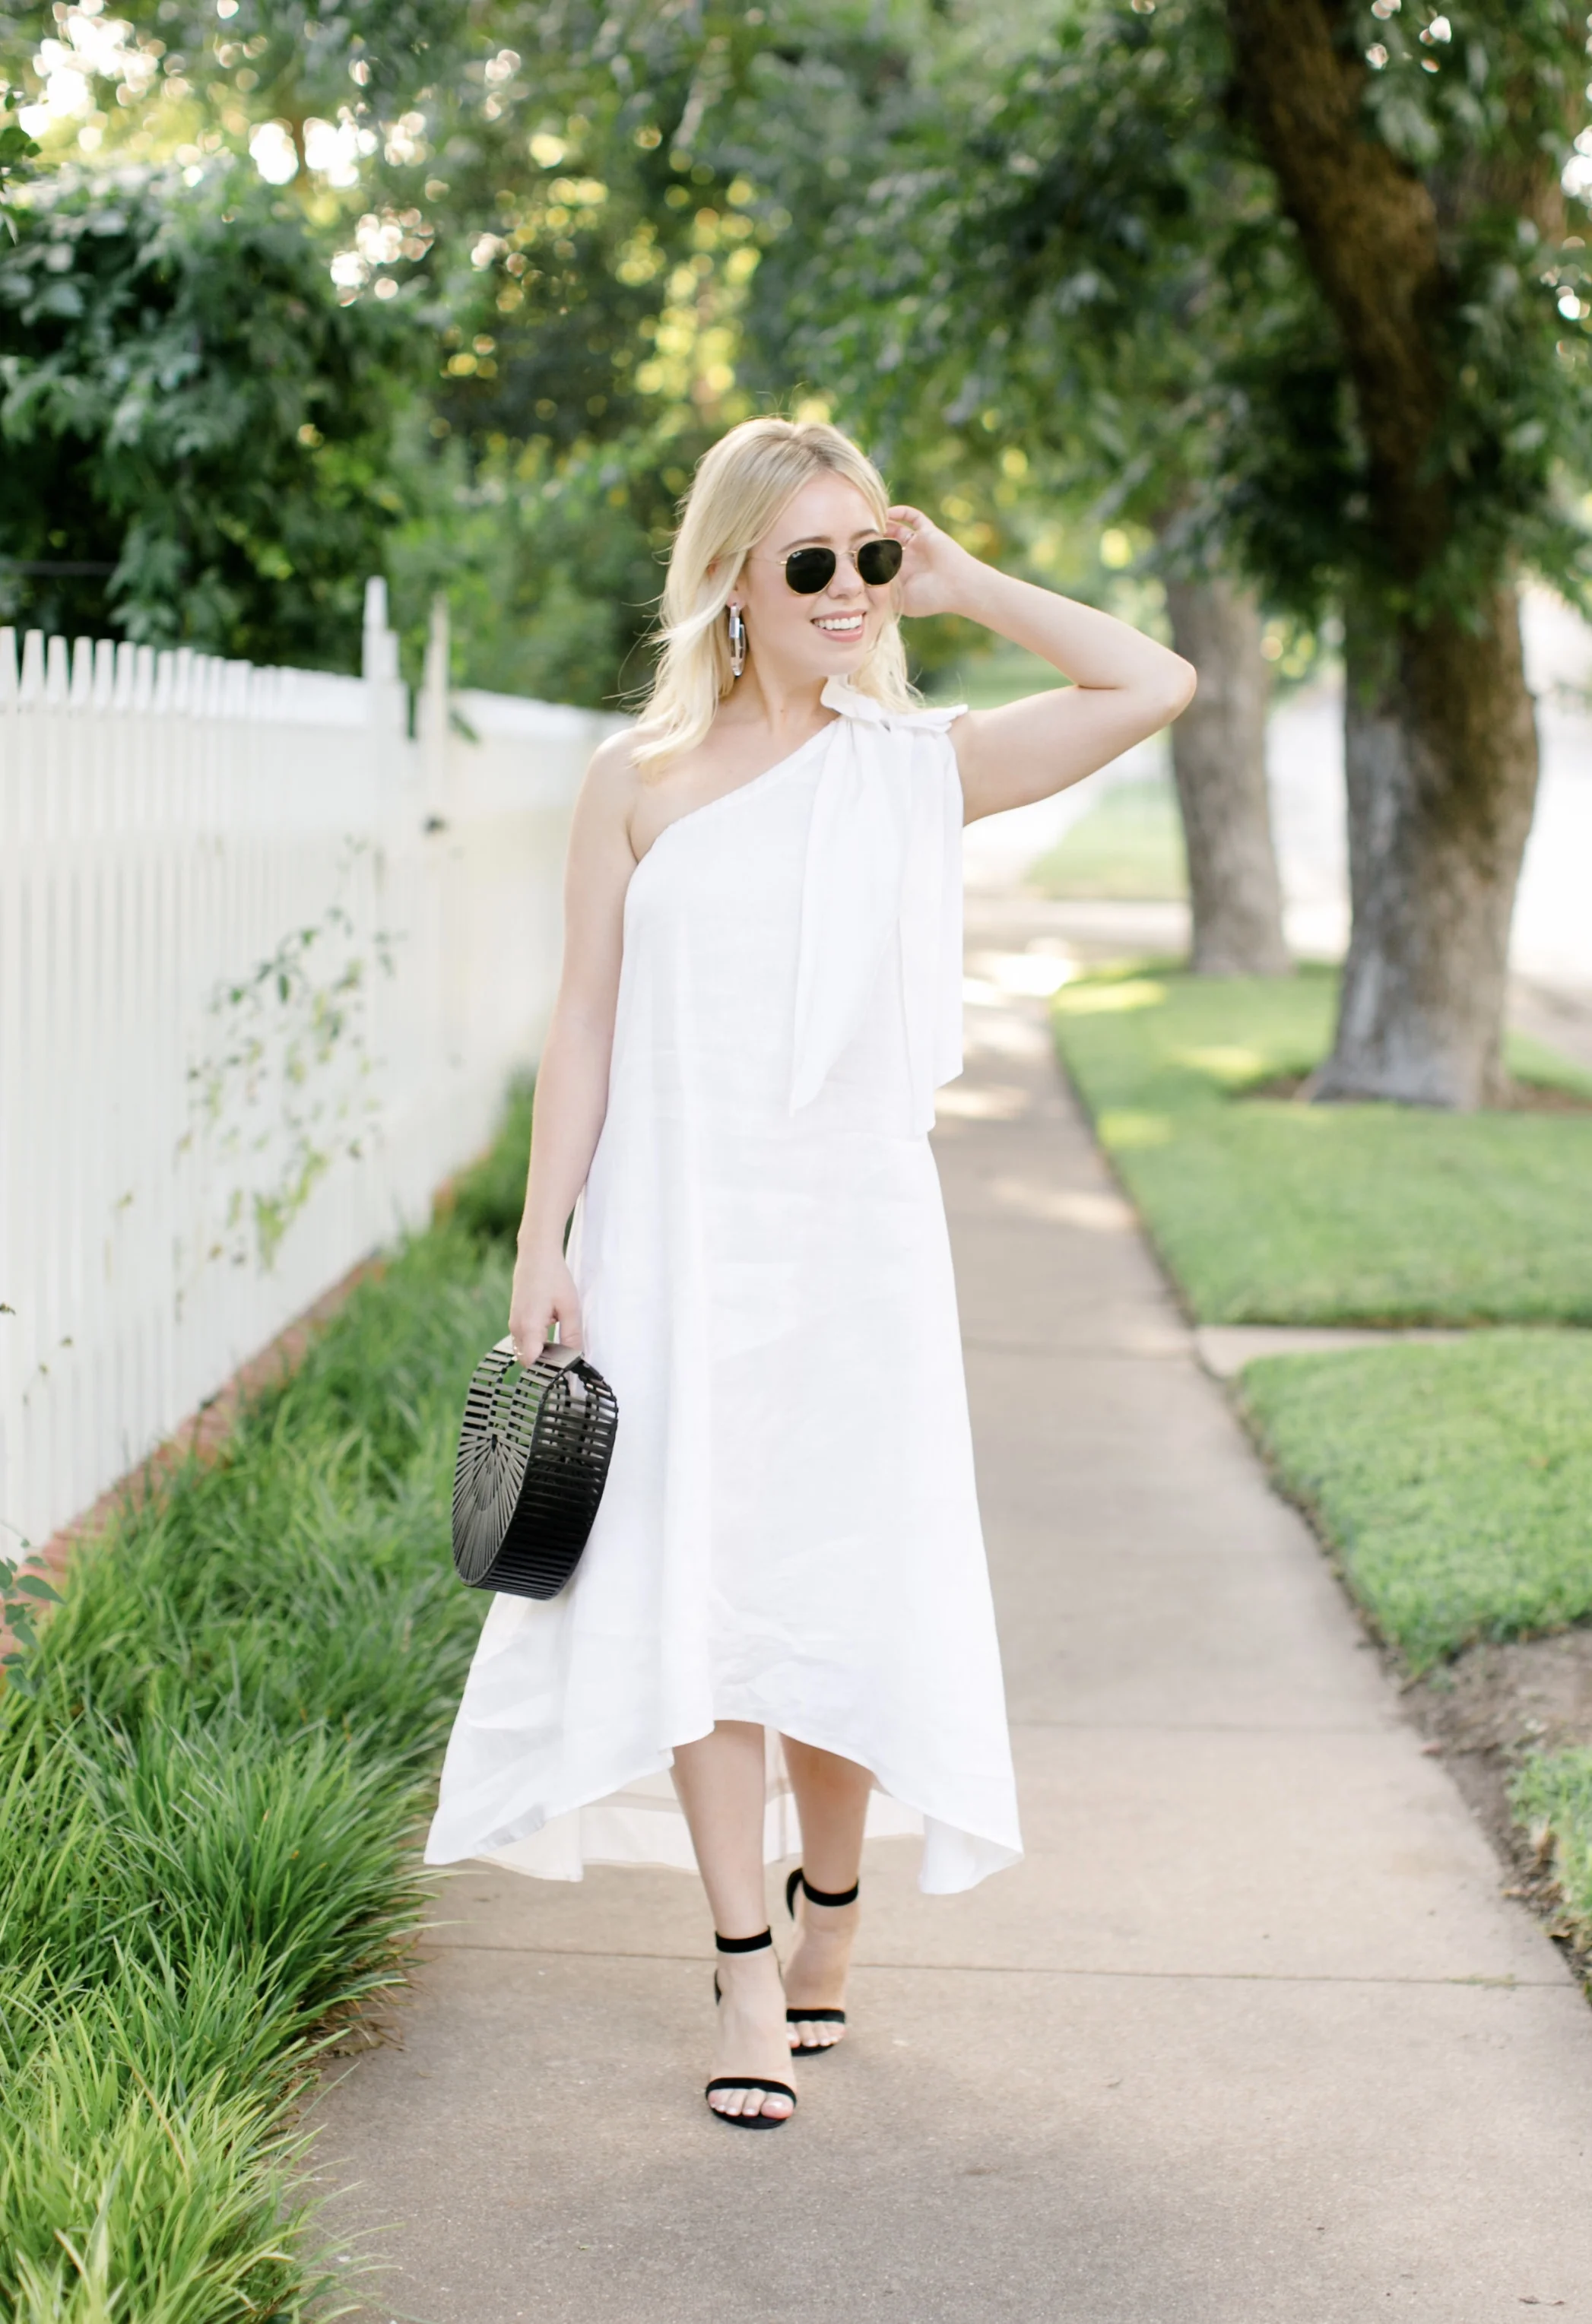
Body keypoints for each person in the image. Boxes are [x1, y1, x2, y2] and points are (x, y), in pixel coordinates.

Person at [425, 416, 1194, 2129]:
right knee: (702, 1593)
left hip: (855, 1248)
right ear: (733, 587)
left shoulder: (911, 762)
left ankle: (833, 1902)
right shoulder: (637, 781)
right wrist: (543, 1246)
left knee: (840, 1584)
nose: (850, 593)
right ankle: (742, 1965)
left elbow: (1154, 682)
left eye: (869, 559)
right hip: (677, 1240)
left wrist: (968, 581)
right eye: (814, 565)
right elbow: (583, 1019)